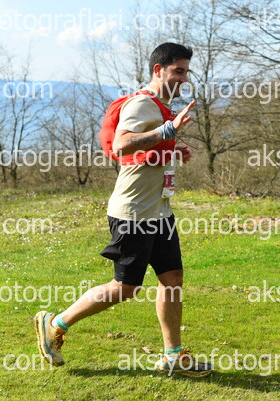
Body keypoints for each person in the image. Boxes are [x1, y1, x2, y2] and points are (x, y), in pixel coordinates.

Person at [34, 42, 212, 377]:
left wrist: (172, 151)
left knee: (172, 279)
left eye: (186, 71)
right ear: (158, 70)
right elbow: (122, 144)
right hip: (134, 213)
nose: (183, 78)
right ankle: (55, 324)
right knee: (125, 288)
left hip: (159, 212)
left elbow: (146, 152)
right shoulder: (142, 103)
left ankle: (173, 356)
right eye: (178, 71)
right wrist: (168, 131)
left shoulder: (161, 106)